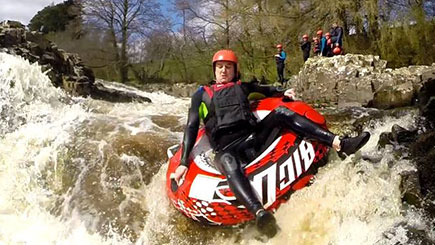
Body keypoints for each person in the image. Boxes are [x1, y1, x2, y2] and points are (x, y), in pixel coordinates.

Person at [171, 49, 370, 238]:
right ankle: (259, 213)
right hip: (228, 149)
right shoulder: (201, 95)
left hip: (255, 137)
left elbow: (268, 90)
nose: (224, 70)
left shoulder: (243, 87)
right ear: (214, 70)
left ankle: (339, 143)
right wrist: (183, 162)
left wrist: (284, 93)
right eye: (220, 66)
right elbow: (191, 126)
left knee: (282, 112)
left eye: (228, 67)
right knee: (228, 161)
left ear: (235, 70)